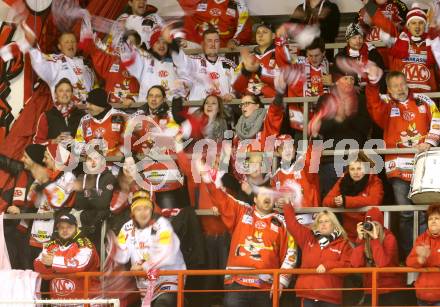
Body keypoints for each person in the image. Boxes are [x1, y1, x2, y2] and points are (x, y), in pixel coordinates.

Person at [365, 68, 440, 258]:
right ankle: (409, 256)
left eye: (402, 84)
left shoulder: (424, 101)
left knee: (425, 212)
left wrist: (429, 142)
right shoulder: (386, 105)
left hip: (423, 165)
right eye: (395, 86)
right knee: (406, 213)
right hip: (397, 166)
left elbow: (437, 121)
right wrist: (372, 84)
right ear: (389, 90)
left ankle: (427, 255)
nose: (400, 89)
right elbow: (373, 105)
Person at [201, 168, 297, 307]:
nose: (267, 198)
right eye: (263, 194)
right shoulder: (242, 211)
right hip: (236, 284)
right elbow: (222, 198)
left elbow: (291, 253)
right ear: (254, 199)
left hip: (265, 287)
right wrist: (207, 177)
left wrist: (281, 281)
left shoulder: (283, 222)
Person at [309, 64, 372, 199]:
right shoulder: (326, 99)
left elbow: (366, 126)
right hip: (330, 159)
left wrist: (347, 115)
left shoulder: (361, 100)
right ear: (336, 80)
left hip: (354, 160)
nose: (349, 82)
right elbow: (320, 127)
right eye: (345, 78)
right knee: (329, 200)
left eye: (351, 79)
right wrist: (338, 119)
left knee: (352, 201)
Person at [114, 190, 186, 307]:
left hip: (168, 278)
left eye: (146, 208)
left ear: (152, 209)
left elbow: (166, 252)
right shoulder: (126, 227)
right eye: (138, 209)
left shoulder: (162, 224)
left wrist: (143, 266)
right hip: (145, 284)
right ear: (132, 212)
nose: (143, 212)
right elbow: (120, 254)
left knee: (162, 304)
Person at [284, 203, 352, 307]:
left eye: (326, 221)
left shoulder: (343, 243)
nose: (323, 224)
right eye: (320, 222)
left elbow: (348, 266)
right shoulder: (308, 238)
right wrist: (287, 205)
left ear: (334, 224)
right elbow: (292, 225)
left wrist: (328, 265)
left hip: (330, 297)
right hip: (307, 295)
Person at [362, 1, 439, 92]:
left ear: (425, 25)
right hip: (401, 97)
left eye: (420, 23)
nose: (417, 26)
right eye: (413, 23)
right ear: (408, 25)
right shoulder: (398, 42)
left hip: (428, 99)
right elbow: (381, 20)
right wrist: (368, 3)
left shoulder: (433, 44)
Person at [34, 213, 100, 299]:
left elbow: (80, 265)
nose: (65, 230)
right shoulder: (51, 245)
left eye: (69, 227)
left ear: (76, 228)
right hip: (58, 302)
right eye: (61, 227)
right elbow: (38, 265)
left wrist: (53, 263)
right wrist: (50, 265)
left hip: (85, 302)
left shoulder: (85, 243)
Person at [351, 207, 406, 306]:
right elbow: (355, 264)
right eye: (369, 225)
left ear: (381, 225)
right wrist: (360, 240)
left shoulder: (389, 238)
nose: (372, 228)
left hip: (390, 290)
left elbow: (382, 264)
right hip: (371, 289)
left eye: (375, 224)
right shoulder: (364, 239)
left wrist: (375, 239)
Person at [323, 154, 384, 242]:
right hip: (349, 234)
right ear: (348, 170)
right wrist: (335, 201)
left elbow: (374, 201)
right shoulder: (344, 180)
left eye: (359, 169)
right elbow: (326, 201)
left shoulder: (374, 181)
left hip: (370, 234)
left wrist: (346, 200)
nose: (355, 172)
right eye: (352, 169)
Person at [276, 37, 331, 134]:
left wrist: (333, 82)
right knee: (301, 148)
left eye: (317, 55)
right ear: (306, 54)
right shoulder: (298, 65)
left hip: (323, 122)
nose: (313, 59)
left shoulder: (329, 67)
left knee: (321, 148)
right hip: (300, 121)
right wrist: (280, 42)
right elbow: (282, 62)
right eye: (310, 55)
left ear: (324, 53)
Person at [168, 28, 237, 103]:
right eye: (209, 41)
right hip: (196, 110)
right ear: (203, 44)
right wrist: (173, 44)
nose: (213, 44)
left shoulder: (229, 64)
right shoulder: (194, 61)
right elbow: (180, 60)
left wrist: (232, 95)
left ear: (219, 43)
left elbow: (237, 87)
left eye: (216, 41)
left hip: (221, 110)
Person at [29, 32, 95, 104]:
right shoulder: (55, 61)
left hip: (91, 108)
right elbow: (39, 61)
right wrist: (32, 44)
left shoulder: (85, 62)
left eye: (73, 41)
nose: (70, 44)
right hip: (69, 110)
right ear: (59, 46)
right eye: (66, 42)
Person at [73, 150, 117, 247]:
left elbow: (104, 203)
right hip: (84, 220)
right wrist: (96, 195)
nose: (92, 162)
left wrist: (87, 194)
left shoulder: (109, 177)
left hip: (101, 222)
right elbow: (78, 203)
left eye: (96, 159)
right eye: (89, 159)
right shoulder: (81, 178)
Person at [122, 27, 178, 101]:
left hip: (170, 109)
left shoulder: (176, 63)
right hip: (146, 109)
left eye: (164, 42)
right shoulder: (144, 62)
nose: (161, 45)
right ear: (152, 46)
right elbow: (128, 55)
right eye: (158, 42)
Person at [75, 88, 127, 158]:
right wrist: (90, 151)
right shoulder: (84, 120)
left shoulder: (122, 117)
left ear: (100, 104)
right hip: (92, 166)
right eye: (87, 103)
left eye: (90, 104)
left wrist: (112, 153)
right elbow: (77, 144)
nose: (87, 106)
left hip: (115, 166)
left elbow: (131, 142)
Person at [177, 0, 252, 48]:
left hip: (224, 51)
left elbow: (245, 29)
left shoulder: (238, 4)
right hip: (198, 49)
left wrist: (235, 41)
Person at [233, 22, 280, 97]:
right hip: (250, 104)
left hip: (273, 104)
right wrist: (246, 71)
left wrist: (259, 70)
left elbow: (282, 82)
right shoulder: (249, 58)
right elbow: (237, 88)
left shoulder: (281, 55)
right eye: (258, 32)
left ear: (273, 35)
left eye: (265, 32)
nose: (260, 35)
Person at [33, 78, 85, 145]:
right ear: (55, 94)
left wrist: (75, 142)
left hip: (75, 154)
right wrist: (53, 141)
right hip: (53, 155)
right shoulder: (46, 116)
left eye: (68, 91)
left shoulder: (82, 116)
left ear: (72, 94)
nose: (64, 94)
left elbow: (90, 141)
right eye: (61, 91)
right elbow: (36, 143)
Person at [357, 0, 408, 68]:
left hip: (391, 50)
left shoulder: (398, 6)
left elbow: (406, 28)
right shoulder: (364, 9)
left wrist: (396, 25)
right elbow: (358, 32)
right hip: (372, 51)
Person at [407, 204, 440, 306]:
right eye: (430, 219)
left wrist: (428, 258)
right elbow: (409, 261)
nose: (433, 221)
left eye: (437, 218)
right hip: (422, 296)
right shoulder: (421, 239)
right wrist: (420, 259)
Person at [336, 22, 385, 89]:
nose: (358, 41)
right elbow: (337, 79)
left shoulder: (372, 53)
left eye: (360, 37)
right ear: (348, 40)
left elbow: (381, 73)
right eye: (354, 38)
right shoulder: (341, 57)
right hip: (350, 90)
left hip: (371, 89)